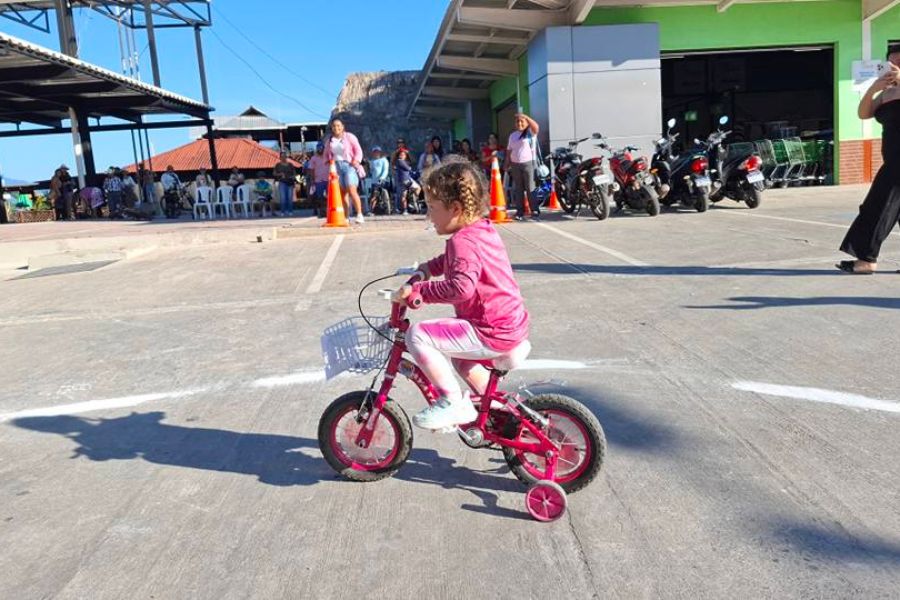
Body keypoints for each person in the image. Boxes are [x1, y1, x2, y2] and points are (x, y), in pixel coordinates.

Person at [392, 158, 530, 430]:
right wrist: (426, 269)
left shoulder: (462, 241)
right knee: (462, 359)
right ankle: (499, 411)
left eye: (432, 208)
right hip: (510, 325)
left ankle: (452, 402)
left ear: (455, 208)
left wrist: (419, 291)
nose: (429, 216)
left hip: (490, 330)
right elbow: (453, 261)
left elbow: (460, 287)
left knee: (417, 335)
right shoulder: (481, 229)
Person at [837, 45, 900, 274]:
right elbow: (863, 113)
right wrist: (874, 88)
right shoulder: (886, 93)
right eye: (892, 63)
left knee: (877, 207)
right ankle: (866, 258)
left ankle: (866, 259)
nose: (895, 67)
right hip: (892, 159)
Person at [322, 117, 366, 224]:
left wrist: (355, 160)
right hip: (336, 167)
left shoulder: (350, 137)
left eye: (338, 125)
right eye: (334, 126)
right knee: (342, 193)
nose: (336, 127)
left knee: (352, 190)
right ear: (331, 128)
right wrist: (329, 163)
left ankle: (359, 214)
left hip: (349, 165)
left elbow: (358, 150)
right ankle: (346, 217)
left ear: (342, 127)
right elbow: (325, 154)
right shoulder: (329, 140)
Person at [504, 112, 541, 220]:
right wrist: (507, 162)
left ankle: (534, 210)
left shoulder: (530, 133)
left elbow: (536, 127)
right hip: (515, 164)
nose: (519, 123)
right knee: (518, 188)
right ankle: (520, 212)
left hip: (528, 164)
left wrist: (526, 117)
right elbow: (509, 150)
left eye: (522, 121)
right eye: (517, 121)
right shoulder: (512, 135)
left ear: (527, 122)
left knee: (530, 188)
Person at [306, 142, 330, 218]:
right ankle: (322, 212)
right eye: (319, 148)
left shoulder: (328, 157)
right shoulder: (313, 158)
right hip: (318, 180)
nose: (320, 150)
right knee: (319, 197)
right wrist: (312, 180)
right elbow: (311, 170)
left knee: (329, 196)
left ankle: (329, 211)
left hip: (328, 180)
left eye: (321, 148)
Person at [394, 148, 419, 214]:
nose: (402, 156)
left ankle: (407, 208)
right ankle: (410, 204)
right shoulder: (400, 161)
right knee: (417, 188)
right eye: (401, 154)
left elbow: (411, 162)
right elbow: (408, 168)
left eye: (403, 155)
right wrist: (410, 169)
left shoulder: (402, 161)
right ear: (398, 155)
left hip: (404, 180)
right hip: (405, 180)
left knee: (404, 195)